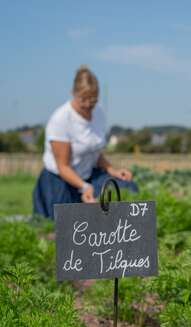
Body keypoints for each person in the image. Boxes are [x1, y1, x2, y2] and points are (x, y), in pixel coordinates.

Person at [33, 65, 138, 219]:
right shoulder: (61, 119)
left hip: (88, 174)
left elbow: (94, 151)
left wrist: (112, 170)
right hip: (61, 180)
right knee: (68, 222)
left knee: (127, 187)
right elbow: (63, 167)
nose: (89, 104)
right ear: (73, 94)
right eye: (83, 99)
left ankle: (121, 233)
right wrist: (84, 187)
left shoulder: (99, 113)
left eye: (93, 99)